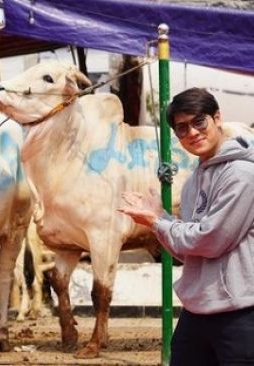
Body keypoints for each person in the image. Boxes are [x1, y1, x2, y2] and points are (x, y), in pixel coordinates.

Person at [118, 88, 254, 365]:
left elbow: (211, 240)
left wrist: (157, 221)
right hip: (198, 310)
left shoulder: (241, 174)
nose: (192, 133)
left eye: (199, 122)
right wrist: (160, 220)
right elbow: (188, 253)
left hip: (240, 313)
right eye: (182, 128)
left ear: (217, 118)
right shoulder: (194, 179)